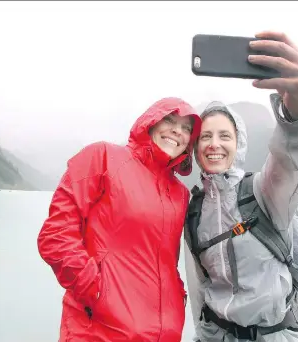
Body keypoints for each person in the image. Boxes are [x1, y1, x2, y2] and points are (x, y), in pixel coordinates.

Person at [184, 31, 298, 342]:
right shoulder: (194, 212)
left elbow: (291, 161)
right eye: (205, 137)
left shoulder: (264, 193)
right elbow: (199, 288)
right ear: (195, 149)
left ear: (240, 144)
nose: (214, 144)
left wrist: (297, 115)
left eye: (225, 136)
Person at [37, 97, 201, 342]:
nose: (178, 130)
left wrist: (176, 296)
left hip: (163, 334)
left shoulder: (180, 194)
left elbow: (166, 259)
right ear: (151, 122)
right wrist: (96, 290)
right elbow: (56, 234)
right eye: (169, 120)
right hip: (99, 331)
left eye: (187, 128)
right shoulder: (103, 157)